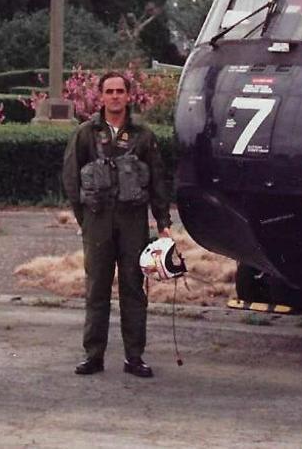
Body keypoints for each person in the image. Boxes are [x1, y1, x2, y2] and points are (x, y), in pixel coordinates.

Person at [62, 72, 172, 378]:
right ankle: (93, 355)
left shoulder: (143, 135)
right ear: (101, 96)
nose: (114, 96)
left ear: (128, 96)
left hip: (132, 220)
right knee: (96, 287)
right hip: (97, 219)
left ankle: (134, 357)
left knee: (133, 289)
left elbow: (158, 180)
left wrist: (163, 222)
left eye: (120, 91)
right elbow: (71, 177)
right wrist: (83, 217)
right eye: (109, 91)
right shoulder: (86, 133)